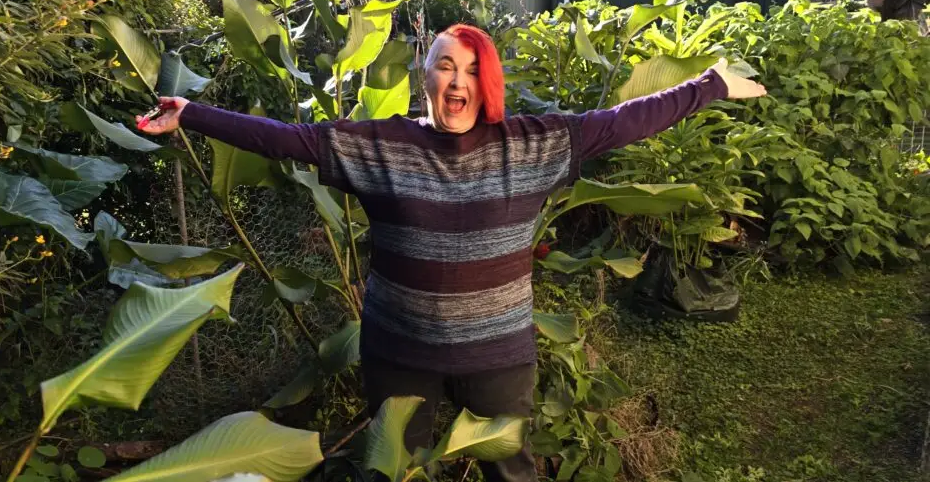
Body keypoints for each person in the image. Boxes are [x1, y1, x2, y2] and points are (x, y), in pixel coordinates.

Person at [139, 24, 766, 481]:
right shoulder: (381, 146)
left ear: (485, 80)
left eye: (470, 68)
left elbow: (627, 119)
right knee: (389, 472)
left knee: (511, 474)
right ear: (426, 77)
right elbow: (287, 140)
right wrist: (192, 112)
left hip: (497, 358)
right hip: (400, 356)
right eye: (444, 66)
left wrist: (709, 86)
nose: (456, 80)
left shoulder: (532, 145)